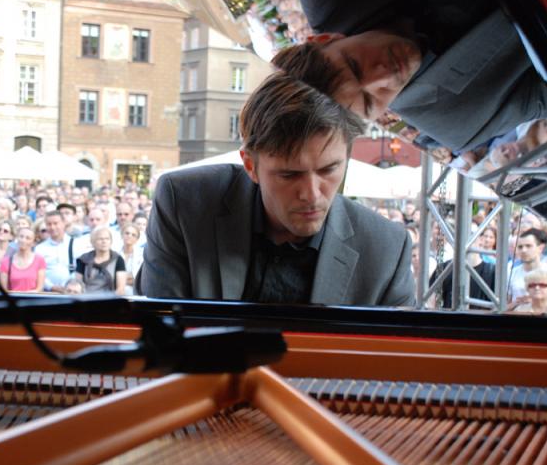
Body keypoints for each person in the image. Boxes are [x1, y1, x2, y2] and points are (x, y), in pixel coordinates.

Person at [138, 67, 414, 305]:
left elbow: (399, 361)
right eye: (289, 175)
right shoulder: (184, 203)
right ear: (250, 165)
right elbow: (161, 335)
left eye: (329, 170)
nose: (312, 194)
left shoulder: (385, 249)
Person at [291, 0, 547, 151]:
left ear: (325, 39)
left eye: (354, 65)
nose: (383, 77)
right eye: (370, 102)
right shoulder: (460, 122)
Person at [508, 228, 547, 305]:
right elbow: (504, 306)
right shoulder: (511, 273)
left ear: (540, 248)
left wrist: (536, 300)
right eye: (520, 247)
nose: (524, 250)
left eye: (528, 246)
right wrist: (516, 303)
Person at [75, 226, 126, 295]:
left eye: (107, 239)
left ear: (111, 241)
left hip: (110, 300)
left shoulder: (118, 259)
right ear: (93, 242)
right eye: (100, 239)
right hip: (87, 299)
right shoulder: (83, 259)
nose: (104, 241)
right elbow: (77, 285)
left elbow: (121, 289)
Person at [34, 211, 75, 293]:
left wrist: (69, 287)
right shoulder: (40, 249)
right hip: (48, 293)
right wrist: (51, 287)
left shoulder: (76, 244)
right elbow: (37, 272)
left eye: (56, 223)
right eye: (49, 224)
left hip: (72, 293)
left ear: (63, 223)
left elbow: (78, 270)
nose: (52, 227)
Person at [0, 226, 46, 292]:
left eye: (28, 238)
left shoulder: (39, 260)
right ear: (17, 238)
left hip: (33, 300)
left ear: (33, 242)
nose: (23, 240)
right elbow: (4, 290)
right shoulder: (6, 261)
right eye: (21, 236)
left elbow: (39, 288)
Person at [119, 223, 143, 296]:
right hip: (117, 290)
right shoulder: (115, 253)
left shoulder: (141, 255)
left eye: (133, 235)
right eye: (127, 233)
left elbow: (137, 279)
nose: (129, 236)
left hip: (135, 292)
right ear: (122, 235)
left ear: (137, 239)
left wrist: (120, 279)